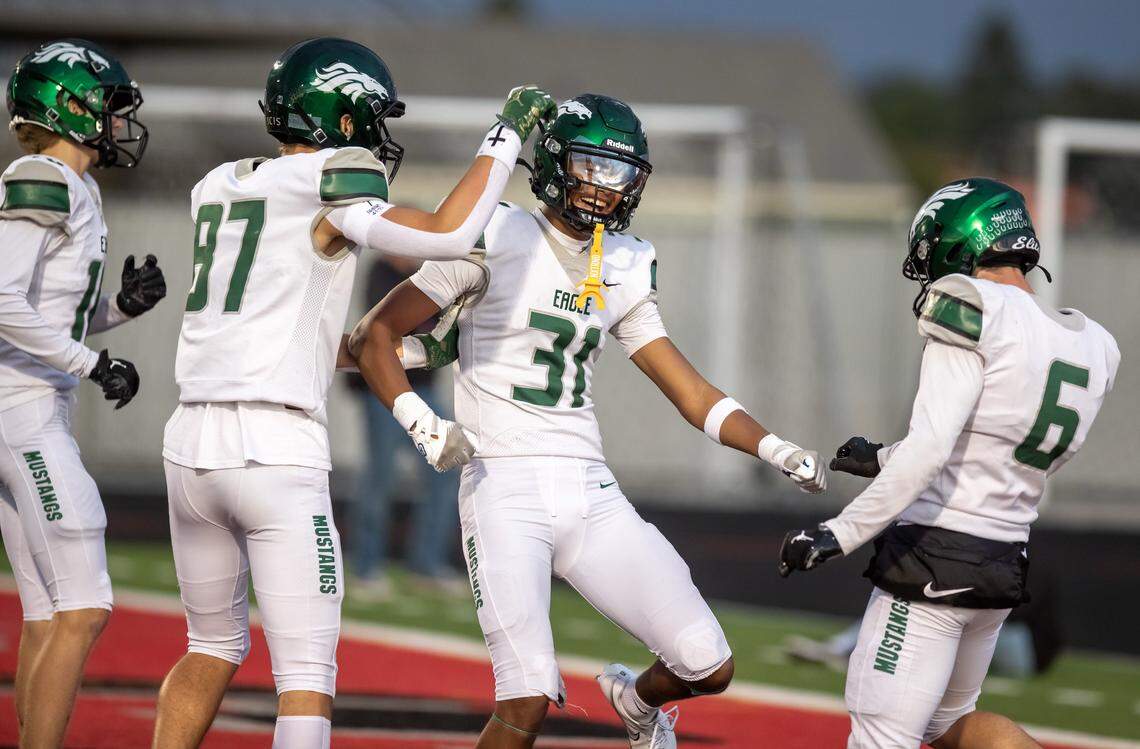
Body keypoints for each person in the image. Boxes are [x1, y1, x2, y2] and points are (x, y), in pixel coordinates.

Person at [350, 94, 827, 749]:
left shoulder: (627, 260)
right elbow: (371, 338)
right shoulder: (495, 231)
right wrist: (422, 418)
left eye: (618, 171)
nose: (605, 186)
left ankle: (635, 700)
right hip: (502, 483)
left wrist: (774, 447)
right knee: (525, 698)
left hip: (588, 486)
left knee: (708, 661)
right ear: (552, 161)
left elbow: (687, 389)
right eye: (591, 165)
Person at [152, 36, 554, 749]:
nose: (376, 135)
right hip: (274, 449)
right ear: (341, 119)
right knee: (306, 672)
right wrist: (506, 134)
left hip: (189, 444)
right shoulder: (333, 177)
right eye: (370, 118)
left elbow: (280, 330)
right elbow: (449, 232)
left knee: (210, 643)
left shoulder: (217, 185)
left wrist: (393, 350)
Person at [778, 178, 1119, 749]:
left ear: (963, 240)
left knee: (879, 735)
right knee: (948, 732)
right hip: (1003, 561)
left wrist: (838, 534)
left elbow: (933, 449)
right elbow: (991, 446)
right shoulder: (1093, 343)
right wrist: (884, 458)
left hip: (933, 559)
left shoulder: (970, 303)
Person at [0, 39, 164, 748]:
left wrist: (118, 311)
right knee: (87, 606)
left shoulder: (77, 186)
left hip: (30, 401)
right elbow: (1, 297)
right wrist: (93, 362)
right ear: (65, 105)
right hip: (22, 408)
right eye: (105, 104)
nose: (116, 119)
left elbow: (43, 308)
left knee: (48, 611)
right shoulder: (43, 174)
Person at [346, 254, 461, 598]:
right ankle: (366, 566)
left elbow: (445, 330)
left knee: (447, 467)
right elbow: (387, 329)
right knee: (381, 474)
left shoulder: (434, 273)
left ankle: (426, 564)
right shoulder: (383, 273)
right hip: (382, 389)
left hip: (423, 390)